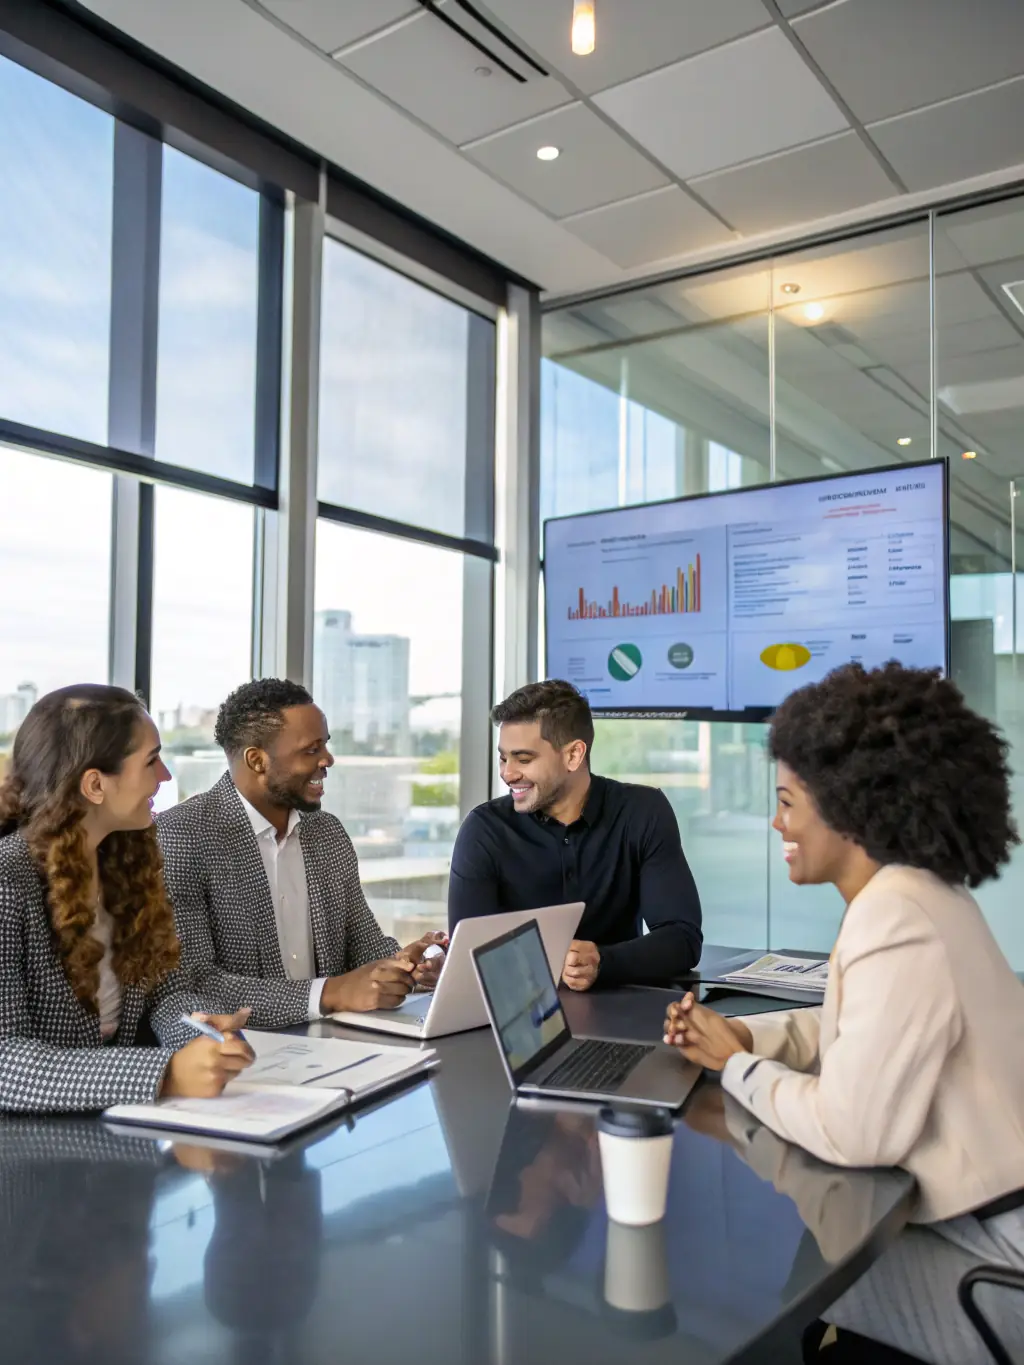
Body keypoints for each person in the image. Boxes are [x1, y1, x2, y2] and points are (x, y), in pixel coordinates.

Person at [663, 662, 1024, 1365]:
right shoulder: (918, 894)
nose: (777, 821)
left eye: (789, 801)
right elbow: (854, 1023)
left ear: (848, 806)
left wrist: (735, 1066)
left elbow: (854, 1133)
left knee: (782, 1285)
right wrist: (745, 1032)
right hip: (992, 1221)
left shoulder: (894, 915)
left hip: (996, 1265)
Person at [0, 684, 253, 1115]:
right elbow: (5, 1063)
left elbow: (166, 994)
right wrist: (165, 1073)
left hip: (118, 1136)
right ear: (95, 784)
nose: (166, 777)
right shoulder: (8, 882)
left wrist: (198, 1030)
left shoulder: (130, 861)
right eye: (151, 761)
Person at [157, 679, 446, 1031]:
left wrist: (406, 966)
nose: (328, 759)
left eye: (325, 745)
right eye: (311, 750)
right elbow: (192, 985)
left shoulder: (328, 834)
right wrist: (330, 993)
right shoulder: (182, 836)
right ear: (257, 760)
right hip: (242, 1053)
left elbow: (364, 946)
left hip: (336, 1045)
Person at [448, 679, 702, 989]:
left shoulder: (642, 812)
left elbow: (682, 939)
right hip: (520, 1021)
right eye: (503, 757)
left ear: (573, 755)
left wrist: (603, 961)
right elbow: (468, 960)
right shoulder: (483, 830)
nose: (508, 773)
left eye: (523, 759)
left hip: (626, 1012)